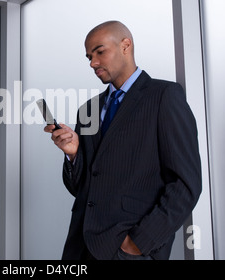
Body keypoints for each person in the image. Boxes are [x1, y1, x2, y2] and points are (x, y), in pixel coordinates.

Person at [44, 21, 202, 260]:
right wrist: (74, 154)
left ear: (126, 45)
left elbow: (186, 184)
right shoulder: (88, 109)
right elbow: (82, 188)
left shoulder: (164, 96)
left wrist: (139, 243)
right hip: (80, 247)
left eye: (99, 51)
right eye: (89, 56)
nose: (92, 63)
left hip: (129, 250)